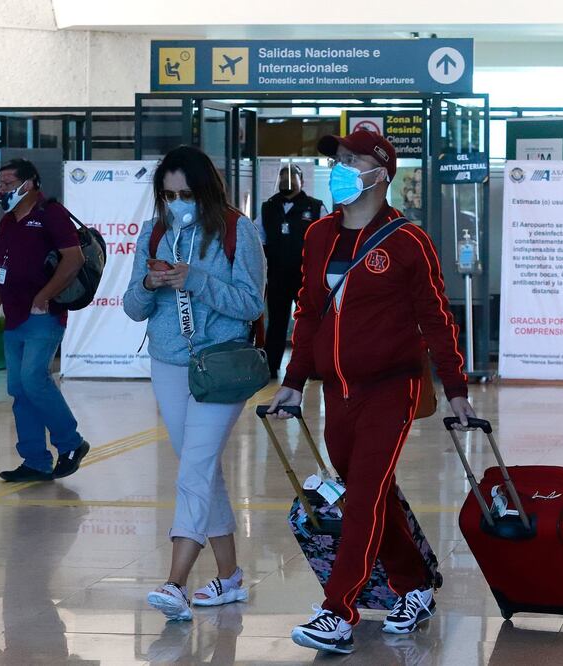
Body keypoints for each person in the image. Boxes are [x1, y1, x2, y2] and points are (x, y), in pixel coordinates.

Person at [267, 129, 474, 654]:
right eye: (337, 159)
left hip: (392, 387)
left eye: (351, 159)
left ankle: (338, 611)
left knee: (362, 495)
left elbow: (436, 319)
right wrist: (293, 383)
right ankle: (415, 585)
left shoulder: (408, 242)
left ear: (380, 173)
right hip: (337, 391)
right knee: (369, 492)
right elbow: (309, 312)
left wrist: (456, 389)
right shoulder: (318, 235)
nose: (339, 168)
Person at [123, 145, 265, 622]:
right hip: (168, 363)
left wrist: (196, 280)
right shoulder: (153, 233)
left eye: (185, 194)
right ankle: (229, 577)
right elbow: (131, 307)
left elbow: (251, 303)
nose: (177, 203)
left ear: (205, 191)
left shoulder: (236, 230)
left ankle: (175, 583)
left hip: (221, 366)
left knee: (194, 470)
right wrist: (149, 284)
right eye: (168, 195)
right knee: (200, 468)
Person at [0, 158, 90, 482]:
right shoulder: (8, 223)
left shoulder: (51, 214)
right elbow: (0, 274)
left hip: (44, 316)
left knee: (33, 379)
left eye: (7, 184)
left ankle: (71, 443)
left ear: (28, 184)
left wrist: (44, 296)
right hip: (15, 318)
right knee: (19, 388)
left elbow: (74, 259)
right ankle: (35, 460)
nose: (1, 190)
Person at [259, 165, 327, 378]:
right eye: (282, 177)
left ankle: (314, 367)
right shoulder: (268, 207)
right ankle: (271, 367)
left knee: (309, 321)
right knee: (276, 323)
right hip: (277, 275)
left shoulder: (315, 207)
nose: (286, 181)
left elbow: (327, 239)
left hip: (305, 276)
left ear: (301, 181)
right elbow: (259, 238)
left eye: (291, 177)